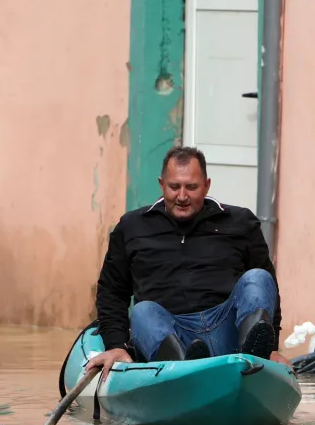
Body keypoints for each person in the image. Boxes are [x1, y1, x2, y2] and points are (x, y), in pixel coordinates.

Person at [84, 145, 289, 375]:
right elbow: (111, 292)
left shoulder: (241, 222)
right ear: (162, 185)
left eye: (191, 187)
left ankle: (255, 359)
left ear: (206, 186)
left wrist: (272, 347)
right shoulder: (131, 227)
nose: (182, 196)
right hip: (170, 335)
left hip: (228, 331)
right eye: (174, 187)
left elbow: (268, 290)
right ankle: (183, 369)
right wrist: (116, 345)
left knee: (258, 277)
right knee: (143, 312)